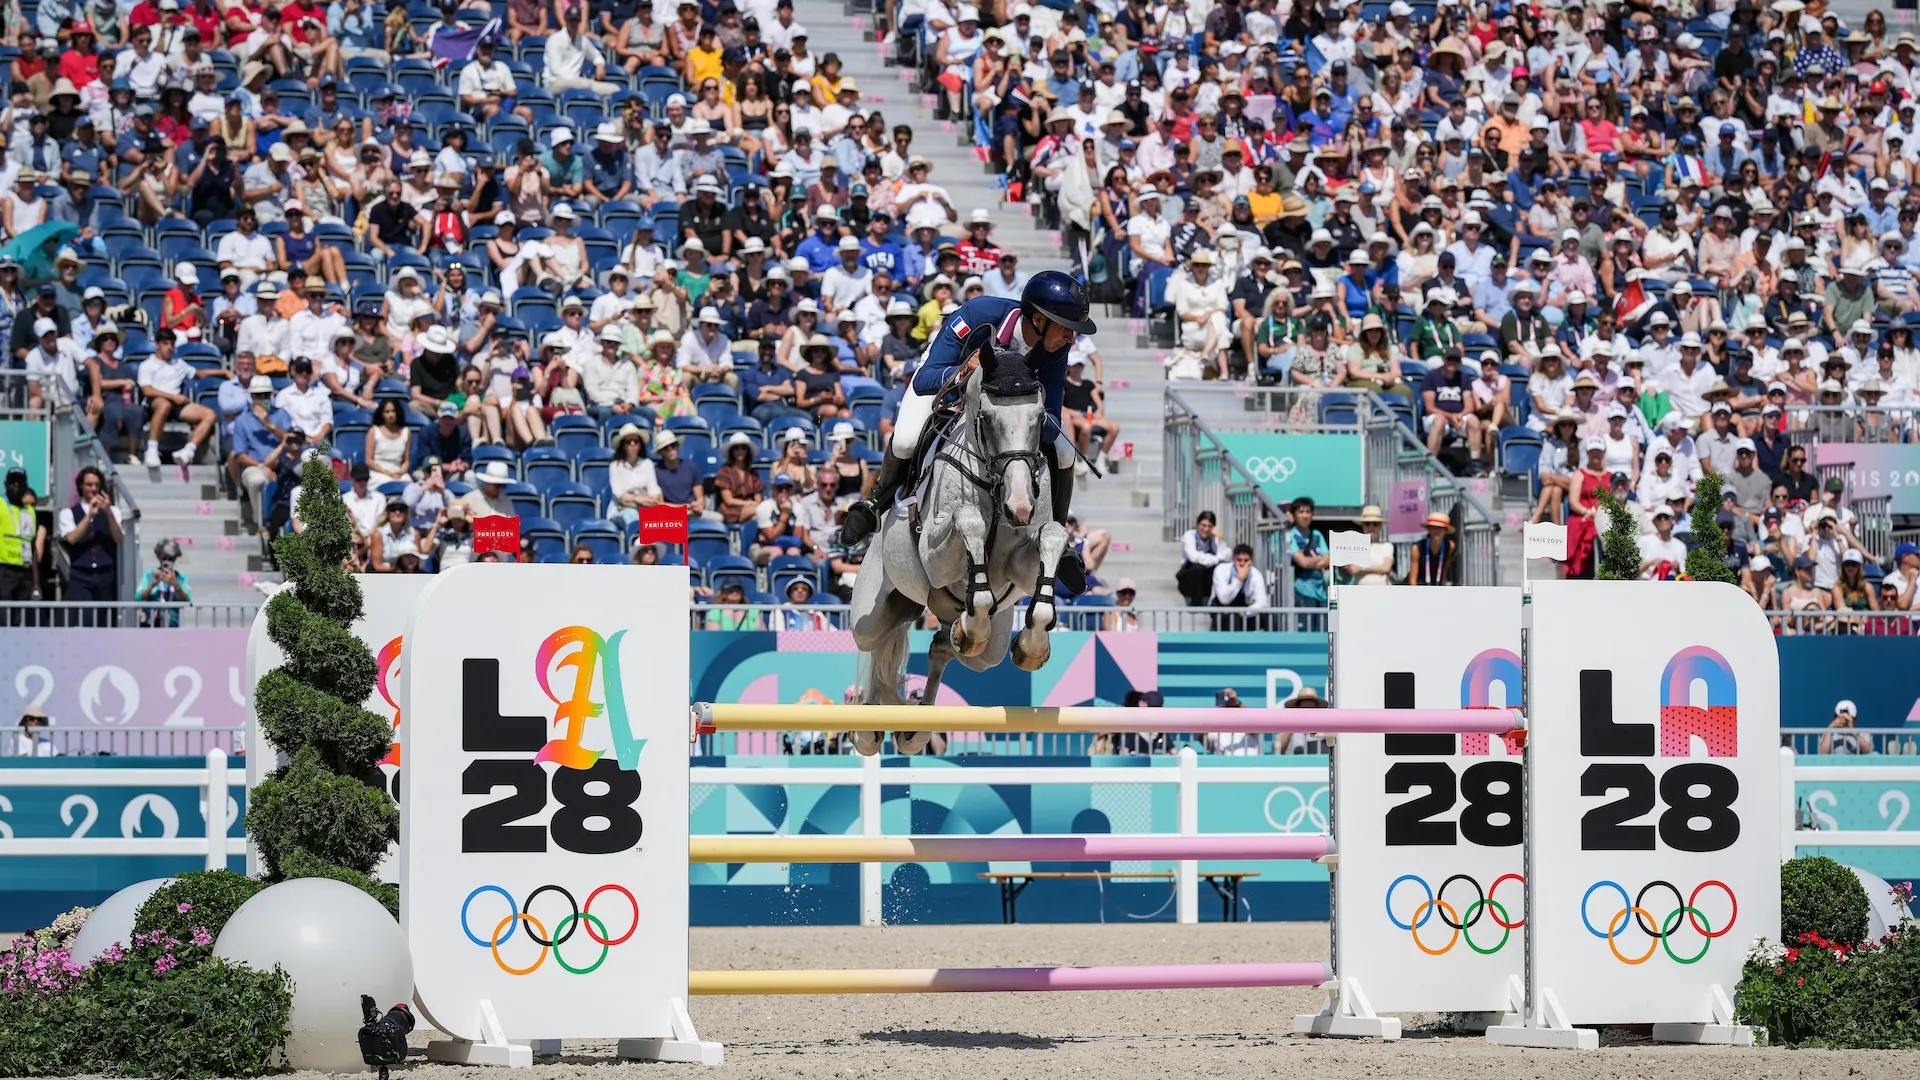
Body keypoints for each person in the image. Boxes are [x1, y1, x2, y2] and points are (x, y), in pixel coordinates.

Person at [834, 270, 1095, 591]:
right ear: (1038, 320)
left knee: (1066, 452)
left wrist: (1027, 414)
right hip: (948, 385)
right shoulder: (978, 316)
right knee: (903, 440)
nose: (1072, 339)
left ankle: (1058, 531)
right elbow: (924, 379)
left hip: (1005, 411)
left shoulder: (1056, 347)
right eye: (1067, 329)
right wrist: (961, 372)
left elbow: (1052, 414)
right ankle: (875, 503)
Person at [56, 466, 122, 614]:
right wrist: (89, 516)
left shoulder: (113, 511)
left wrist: (108, 513)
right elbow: (72, 539)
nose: (93, 489)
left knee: (104, 620)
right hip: (81, 573)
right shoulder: (68, 513)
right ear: (81, 486)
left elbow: (118, 537)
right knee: (83, 617)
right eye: (89, 485)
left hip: (105, 573)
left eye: (97, 485)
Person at [1210, 541, 1268, 629]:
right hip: (1221, 610)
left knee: (1268, 617)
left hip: (1243, 611)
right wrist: (1239, 579)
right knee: (1233, 618)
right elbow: (1224, 599)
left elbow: (1262, 602)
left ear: (1251, 561)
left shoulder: (1256, 574)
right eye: (1239, 560)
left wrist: (1246, 612)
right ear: (1233, 559)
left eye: (1246, 560)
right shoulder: (1221, 570)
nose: (1242, 564)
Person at [134, 537, 191, 626]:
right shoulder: (149, 575)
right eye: (164, 558)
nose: (167, 561)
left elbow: (186, 599)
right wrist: (153, 584)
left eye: (170, 559)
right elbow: (138, 598)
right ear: (158, 557)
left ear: (175, 558)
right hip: (150, 626)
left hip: (172, 627)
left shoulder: (181, 578)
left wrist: (175, 584)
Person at [0, 469, 34, 608]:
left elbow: (32, 544)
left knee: (18, 620)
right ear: (5, 484)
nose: (16, 486)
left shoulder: (29, 511)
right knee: (3, 618)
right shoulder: (1, 504)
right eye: (12, 482)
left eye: (19, 483)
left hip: (24, 571)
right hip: (4, 569)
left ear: (25, 486)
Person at [1177, 509, 1223, 605]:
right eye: (1203, 525)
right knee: (1197, 568)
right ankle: (1196, 603)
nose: (1206, 529)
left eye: (1209, 526)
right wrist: (1216, 559)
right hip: (1189, 578)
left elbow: (1226, 555)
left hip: (1207, 578)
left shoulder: (1214, 537)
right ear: (1198, 524)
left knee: (1221, 568)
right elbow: (1193, 557)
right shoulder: (1189, 535)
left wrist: (1220, 540)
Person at [1409, 512, 1457, 585]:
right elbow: (1412, 579)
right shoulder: (1417, 548)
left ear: (1445, 530)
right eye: (1433, 527)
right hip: (1420, 590)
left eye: (1440, 528)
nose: (1436, 531)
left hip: (1439, 589)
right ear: (1429, 529)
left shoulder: (1450, 546)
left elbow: (1445, 569)